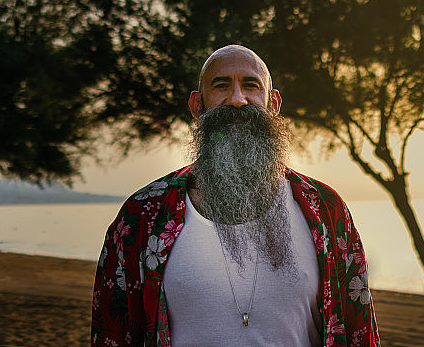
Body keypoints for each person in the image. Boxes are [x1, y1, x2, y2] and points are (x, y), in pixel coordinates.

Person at [91, 45, 380, 346]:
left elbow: (360, 332)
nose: (238, 99)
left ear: (274, 103)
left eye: (251, 85)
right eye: (221, 86)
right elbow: (112, 334)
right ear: (196, 105)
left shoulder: (325, 210)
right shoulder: (142, 217)